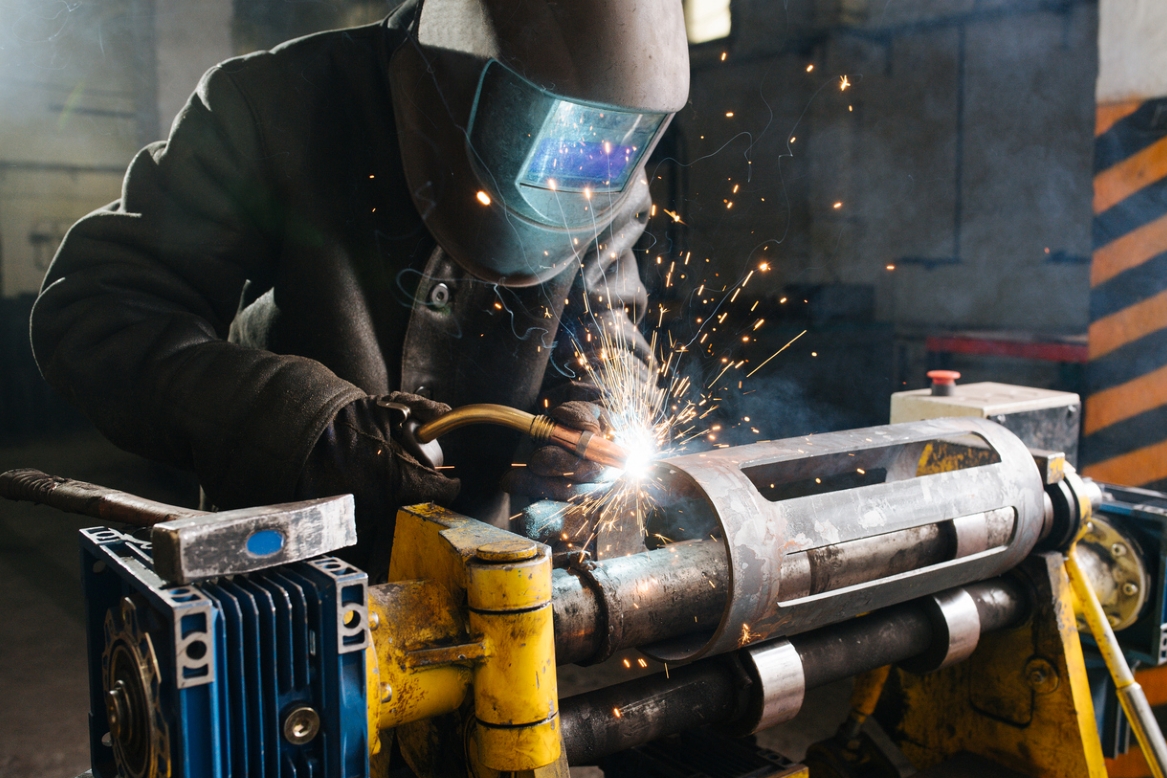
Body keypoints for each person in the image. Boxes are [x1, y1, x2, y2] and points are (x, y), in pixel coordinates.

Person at [29, 0, 690, 579]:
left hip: (490, 583)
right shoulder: (275, 106)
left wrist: (590, 415)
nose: (579, 157)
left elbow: (611, 345)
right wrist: (302, 426)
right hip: (282, 578)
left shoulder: (606, 177)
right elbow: (97, 309)